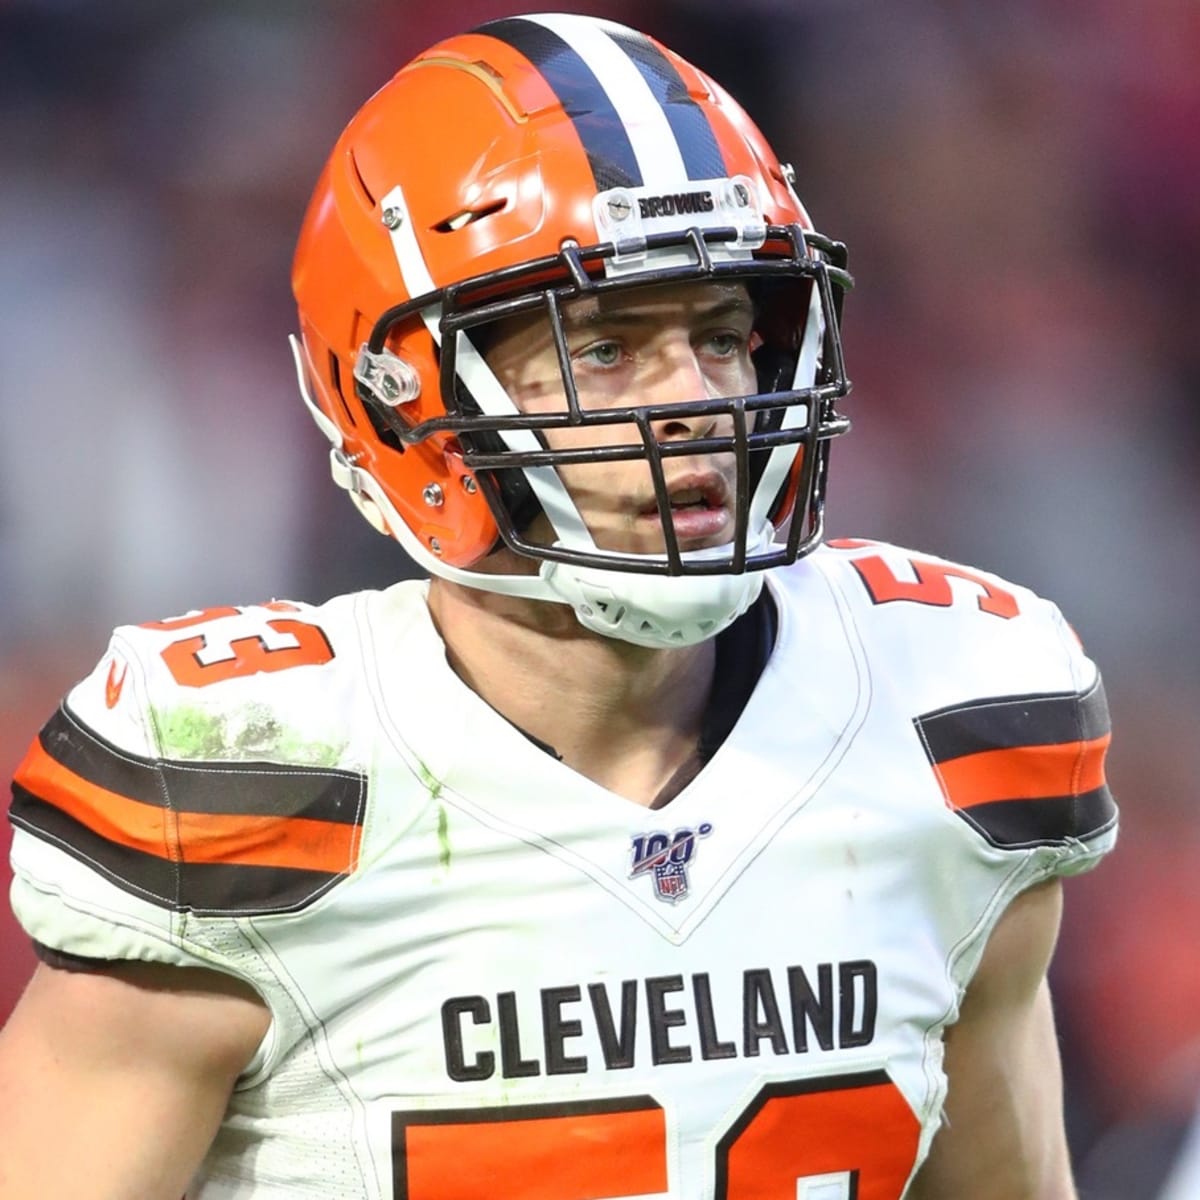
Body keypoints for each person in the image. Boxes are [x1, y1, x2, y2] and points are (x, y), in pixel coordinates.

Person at [0, 13, 1117, 1199]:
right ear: (398, 402)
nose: (698, 398)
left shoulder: (940, 717)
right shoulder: (248, 785)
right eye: (607, 348)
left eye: (724, 331)